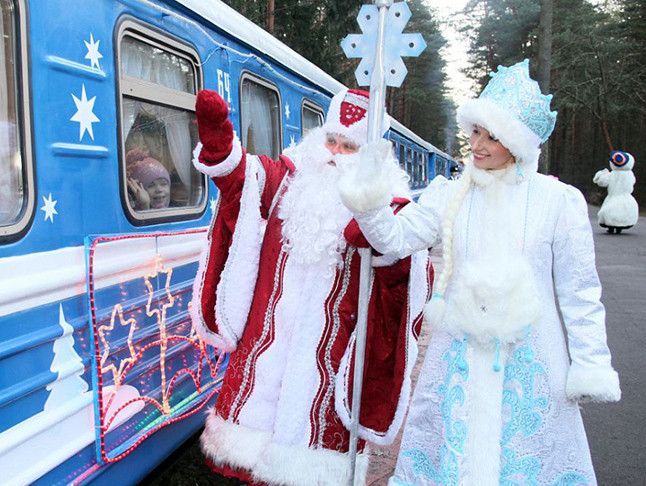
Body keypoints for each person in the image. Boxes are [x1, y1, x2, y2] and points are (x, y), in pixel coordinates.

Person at [384, 60, 620, 486]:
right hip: (458, 359)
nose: (477, 145)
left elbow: (580, 291)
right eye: (475, 131)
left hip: (532, 362)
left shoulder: (557, 201)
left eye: (492, 137)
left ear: (516, 143)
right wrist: (366, 195)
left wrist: (590, 363)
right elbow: (395, 239)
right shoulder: (450, 194)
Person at [190, 88, 439, 485]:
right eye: (331, 139)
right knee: (245, 468)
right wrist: (221, 150)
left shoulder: (389, 207)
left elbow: (403, 278)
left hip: (326, 371)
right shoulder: (287, 179)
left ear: (371, 153)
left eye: (349, 145)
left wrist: (378, 234)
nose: (335, 152)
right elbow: (242, 188)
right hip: (263, 357)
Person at [593, 151, 639, 233]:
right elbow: (632, 183)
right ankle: (619, 228)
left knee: (610, 211)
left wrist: (602, 175)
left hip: (613, 196)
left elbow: (603, 183)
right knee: (623, 212)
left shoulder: (612, 174)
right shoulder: (630, 174)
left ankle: (611, 228)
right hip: (626, 197)